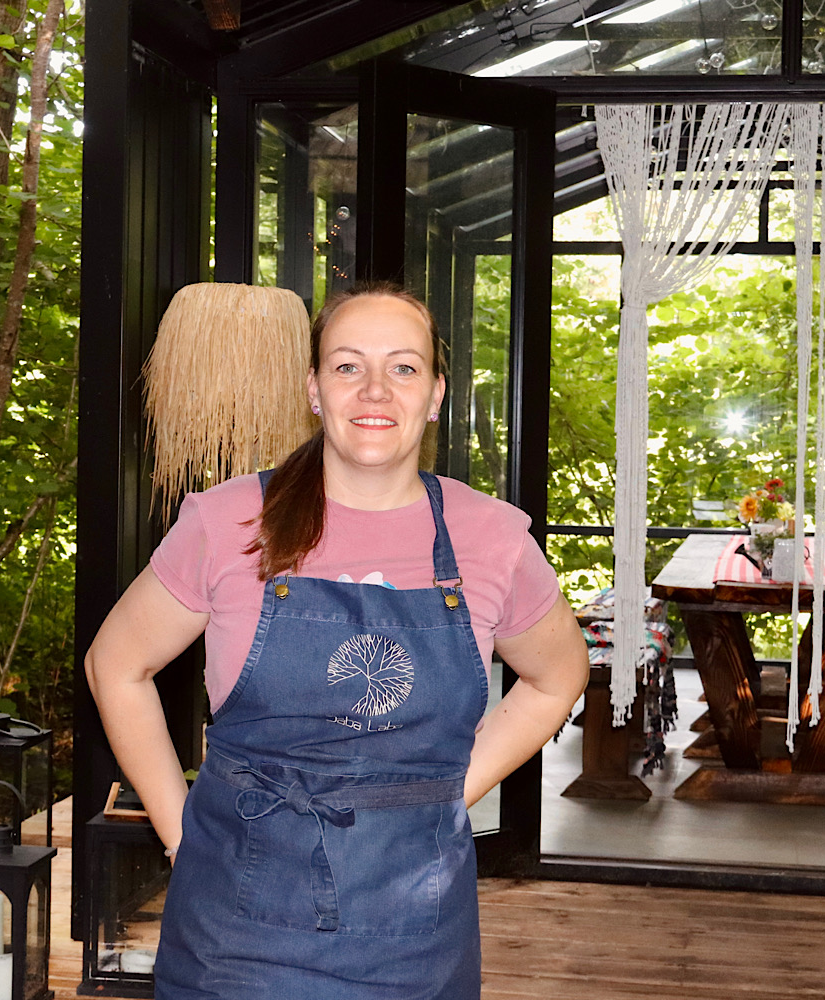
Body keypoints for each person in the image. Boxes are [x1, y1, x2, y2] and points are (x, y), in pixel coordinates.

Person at [85, 282, 589, 999]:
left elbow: (558, 676)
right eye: (348, 366)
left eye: (403, 367)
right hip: (233, 935)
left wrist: (449, 791)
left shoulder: (492, 537)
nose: (375, 389)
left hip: (416, 936)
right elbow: (115, 664)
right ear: (314, 390)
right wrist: (181, 834)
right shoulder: (227, 521)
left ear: (436, 394)